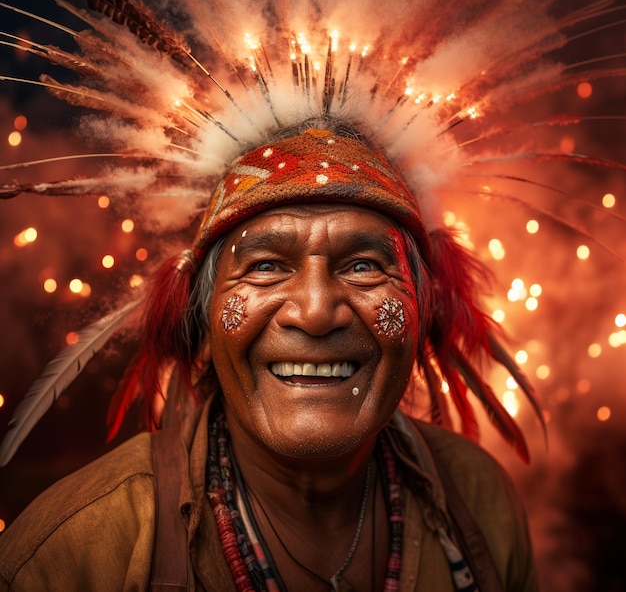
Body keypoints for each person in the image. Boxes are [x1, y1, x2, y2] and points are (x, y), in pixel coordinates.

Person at [0, 120, 538, 591]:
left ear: (424, 315)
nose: (316, 311)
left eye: (363, 266)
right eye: (264, 266)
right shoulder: (75, 555)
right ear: (202, 321)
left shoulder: (481, 503)